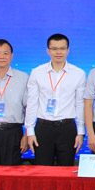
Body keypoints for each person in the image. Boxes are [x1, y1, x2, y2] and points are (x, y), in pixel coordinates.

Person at [25, 34, 86, 166]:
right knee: (42, 170)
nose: (58, 52)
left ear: (68, 50)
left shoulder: (78, 74)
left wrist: (81, 132)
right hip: (43, 127)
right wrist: (30, 131)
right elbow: (32, 103)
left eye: (62, 48)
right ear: (48, 51)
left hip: (67, 128)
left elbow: (80, 104)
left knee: (65, 169)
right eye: (54, 49)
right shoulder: (37, 72)